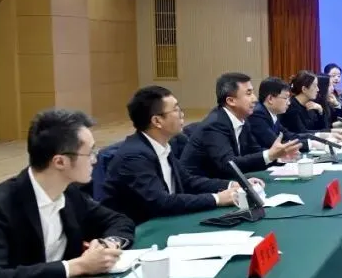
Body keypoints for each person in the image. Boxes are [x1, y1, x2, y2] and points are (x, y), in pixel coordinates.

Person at [0, 110, 135, 278]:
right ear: (60, 161)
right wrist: (77, 266)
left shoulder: (69, 193)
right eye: (90, 153)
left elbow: (119, 220)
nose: (95, 160)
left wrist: (108, 244)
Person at [102, 86, 241, 224]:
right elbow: (160, 201)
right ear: (157, 121)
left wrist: (232, 185)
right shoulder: (134, 157)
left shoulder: (165, 144)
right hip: (139, 229)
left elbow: (188, 181)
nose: (182, 114)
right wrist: (217, 199)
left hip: (166, 220)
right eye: (175, 109)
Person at [181, 72, 301, 180]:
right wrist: (270, 155)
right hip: (201, 188)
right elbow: (228, 164)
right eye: (248, 93)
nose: (255, 99)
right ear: (231, 101)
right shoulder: (215, 124)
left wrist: (278, 156)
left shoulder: (242, 120)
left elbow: (254, 151)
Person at [250, 77, 311, 150]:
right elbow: (274, 143)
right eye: (286, 98)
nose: (289, 103)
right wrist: (310, 144)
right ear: (270, 99)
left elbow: (288, 135)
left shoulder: (272, 113)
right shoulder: (257, 114)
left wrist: (313, 139)